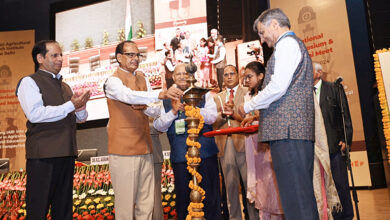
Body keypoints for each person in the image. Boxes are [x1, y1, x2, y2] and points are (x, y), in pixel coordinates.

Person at [238, 8, 318, 220]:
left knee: (297, 200)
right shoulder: (288, 45)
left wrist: (248, 106)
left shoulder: (287, 45)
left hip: (289, 132)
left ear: (275, 24)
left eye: (263, 33)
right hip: (290, 132)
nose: (262, 40)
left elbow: (278, 87)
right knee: (297, 198)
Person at [104, 40, 183, 219]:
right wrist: (157, 95)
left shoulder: (142, 78)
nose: (135, 58)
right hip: (123, 150)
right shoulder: (112, 81)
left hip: (145, 147)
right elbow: (128, 95)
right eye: (130, 55)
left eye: (137, 55)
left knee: (146, 204)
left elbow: (151, 108)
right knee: (125, 207)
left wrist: (165, 108)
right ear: (119, 57)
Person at [16, 40, 90, 219]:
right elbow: (35, 114)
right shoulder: (29, 82)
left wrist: (80, 108)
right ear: (40, 58)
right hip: (43, 156)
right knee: (38, 209)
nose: (60, 59)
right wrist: (70, 105)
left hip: (66, 152)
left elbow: (79, 119)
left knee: (63, 210)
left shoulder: (65, 86)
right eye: (54, 55)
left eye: (61, 55)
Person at [153, 63, 221, 220]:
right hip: (180, 157)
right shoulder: (166, 99)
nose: (182, 76)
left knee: (211, 198)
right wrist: (174, 112)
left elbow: (212, 117)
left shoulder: (204, 94)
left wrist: (193, 109)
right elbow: (159, 126)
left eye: (185, 73)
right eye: (178, 74)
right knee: (183, 200)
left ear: (192, 75)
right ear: (173, 77)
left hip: (205, 155)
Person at [213, 65, 258, 220]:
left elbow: (253, 117)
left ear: (238, 76)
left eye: (232, 73)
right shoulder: (216, 97)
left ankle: (255, 217)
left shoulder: (248, 92)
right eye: (226, 74)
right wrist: (221, 114)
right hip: (225, 146)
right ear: (223, 78)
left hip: (244, 142)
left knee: (250, 186)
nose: (229, 77)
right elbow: (212, 122)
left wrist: (235, 114)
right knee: (230, 188)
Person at [241, 61, 284, 219]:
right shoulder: (248, 95)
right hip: (252, 143)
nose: (247, 80)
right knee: (260, 183)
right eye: (245, 77)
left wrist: (253, 116)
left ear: (261, 76)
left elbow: (271, 112)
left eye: (250, 76)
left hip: (267, 142)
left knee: (271, 181)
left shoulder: (269, 92)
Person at [313, 62, 354, 220]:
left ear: (319, 73)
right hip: (316, 149)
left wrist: (346, 138)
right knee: (322, 188)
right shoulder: (303, 94)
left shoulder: (333, 88)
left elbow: (345, 116)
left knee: (340, 185)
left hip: (334, 146)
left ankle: (346, 217)